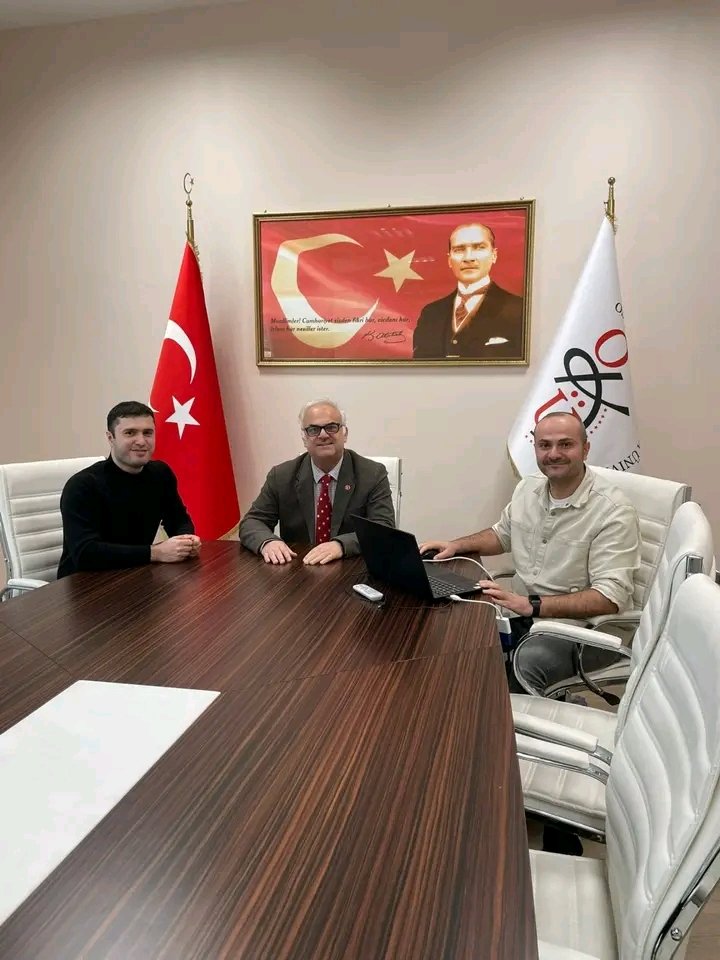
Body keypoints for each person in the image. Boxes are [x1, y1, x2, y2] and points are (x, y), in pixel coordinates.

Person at [420, 411, 640, 695]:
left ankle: (507, 718)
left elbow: (609, 598)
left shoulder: (614, 511)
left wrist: (532, 605)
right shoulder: (528, 487)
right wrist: (457, 545)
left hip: (587, 632)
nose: (554, 454)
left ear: (585, 449)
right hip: (525, 613)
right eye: (544, 445)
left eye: (565, 444)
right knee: (458, 638)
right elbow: (502, 534)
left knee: (524, 664)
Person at [240, 398, 395, 565]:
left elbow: (383, 528)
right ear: (304, 438)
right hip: (299, 568)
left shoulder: (372, 474)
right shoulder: (281, 476)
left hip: (353, 568)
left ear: (345, 434)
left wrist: (341, 545)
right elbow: (252, 522)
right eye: (313, 429)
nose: (323, 435)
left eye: (331, 427)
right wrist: (268, 542)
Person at [58, 401, 200, 578]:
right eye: (130, 433)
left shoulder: (160, 474)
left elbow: (178, 519)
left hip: (135, 575)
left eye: (147, 433)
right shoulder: (82, 486)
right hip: (84, 584)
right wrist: (155, 553)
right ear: (111, 438)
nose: (141, 441)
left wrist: (186, 541)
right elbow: (85, 553)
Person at [413, 222, 524, 360]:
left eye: (479, 248)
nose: (468, 258)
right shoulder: (430, 313)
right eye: (459, 250)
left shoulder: (520, 310)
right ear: (449, 260)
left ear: (494, 255)